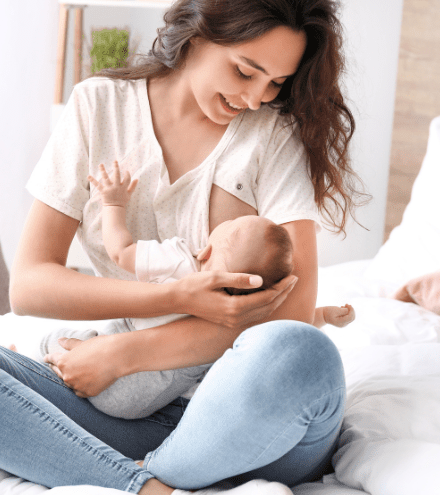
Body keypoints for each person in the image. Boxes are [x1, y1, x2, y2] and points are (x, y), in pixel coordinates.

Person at [0, 0, 366, 495]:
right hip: (116, 406)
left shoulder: (271, 136)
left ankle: (124, 473)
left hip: (244, 417)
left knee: (301, 354)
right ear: (199, 30)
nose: (255, 98)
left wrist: (124, 352)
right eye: (245, 71)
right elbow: (31, 284)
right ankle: (147, 487)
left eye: (275, 84)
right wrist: (174, 299)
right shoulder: (99, 107)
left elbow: (293, 312)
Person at [24, 160, 356, 420]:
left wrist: (113, 205)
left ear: (209, 250)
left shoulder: (182, 260)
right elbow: (283, 329)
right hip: (155, 400)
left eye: (228, 225)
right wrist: (324, 315)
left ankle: (27, 356)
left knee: (54, 342)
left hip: (117, 360)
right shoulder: (246, 310)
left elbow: (120, 251)